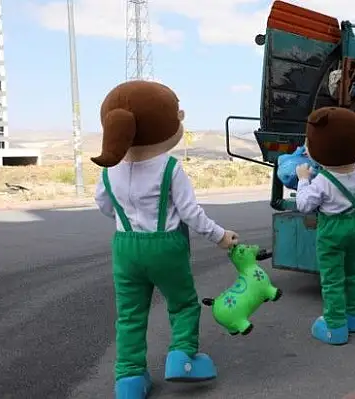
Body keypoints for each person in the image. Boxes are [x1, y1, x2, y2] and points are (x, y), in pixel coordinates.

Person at [92, 80, 238, 398]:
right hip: (165, 246)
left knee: (130, 315)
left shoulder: (108, 171)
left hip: (125, 247)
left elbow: (104, 206)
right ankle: (181, 357)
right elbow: (191, 213)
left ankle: (129, 379)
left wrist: (127, 219)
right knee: (183, 304)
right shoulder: (170, 167)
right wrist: (221, 236)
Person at [294, 107, 355, 346]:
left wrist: (303, 179)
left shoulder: (323, 181)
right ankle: (353, 317)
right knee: (351, 273)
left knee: (332, 278)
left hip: (332, 230)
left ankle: (335, 326)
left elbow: (304, 205)